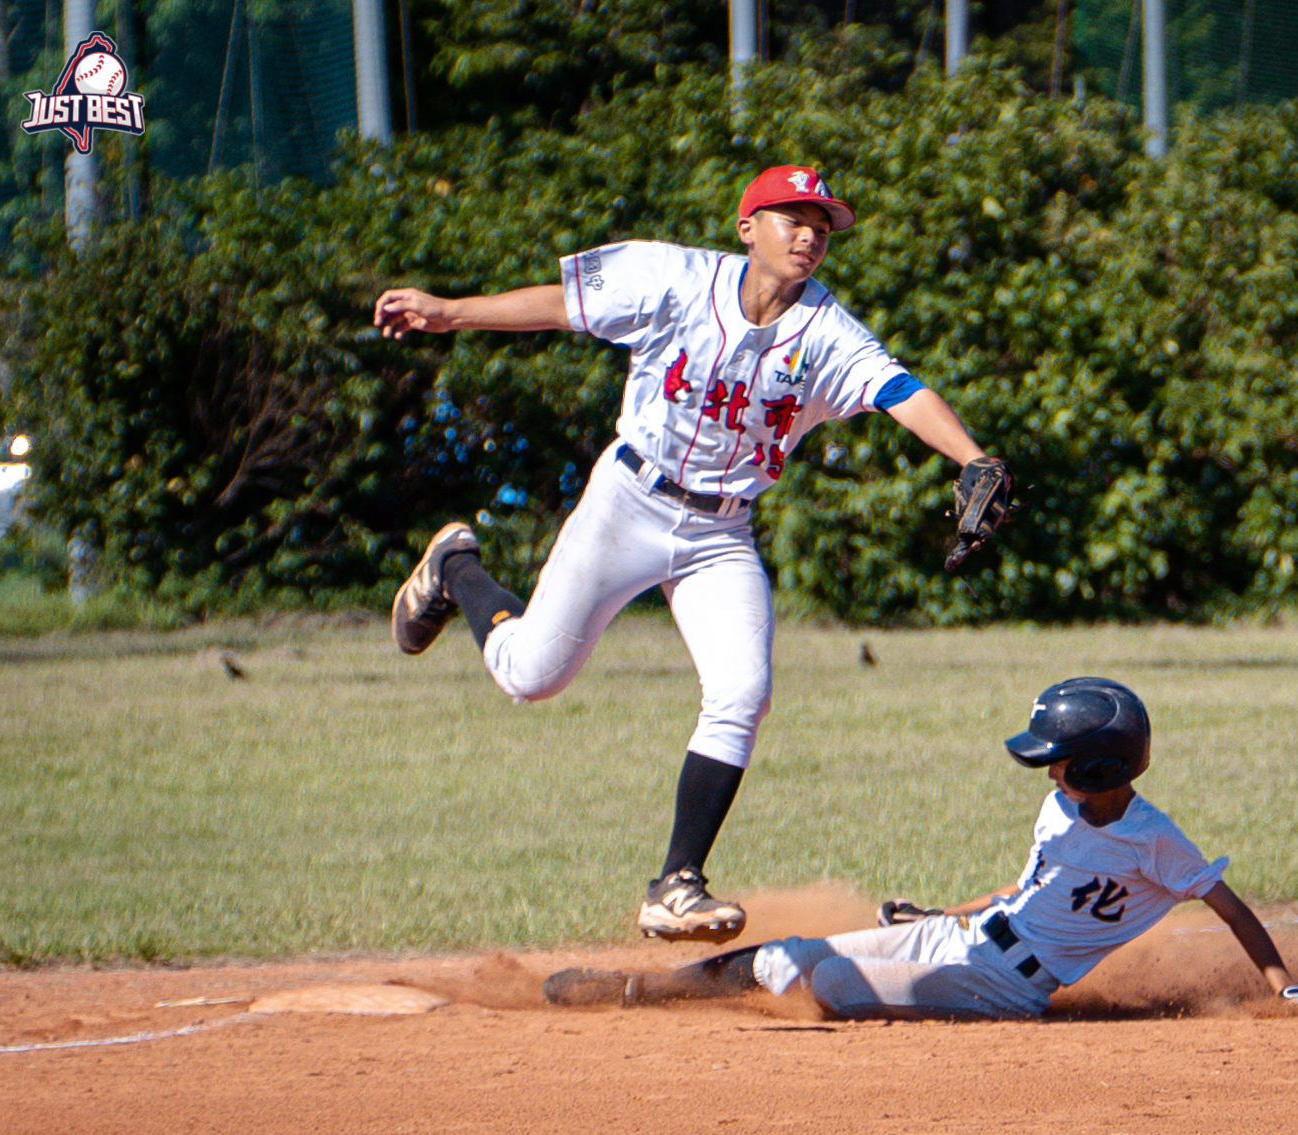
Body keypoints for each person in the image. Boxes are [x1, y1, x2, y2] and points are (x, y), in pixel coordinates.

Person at [371, 166, 1007, 944]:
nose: (809, 234)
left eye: (822, 224)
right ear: (748, 226)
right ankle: (456, 567)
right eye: (791, 218)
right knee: (530, 675)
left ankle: (677, 883)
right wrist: (450, 313)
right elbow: (562, 306)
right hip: (629, 501)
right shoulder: (670, 278)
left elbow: (900, 388)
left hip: (721, 533)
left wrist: (974, 458)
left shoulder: (829, 331)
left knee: (743, 690)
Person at [542, 677, 1298, 1019]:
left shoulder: (1153, 840)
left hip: (1007, 987)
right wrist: (937, 914)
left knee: (828, 982)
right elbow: (1022, 893)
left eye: (1057, 754)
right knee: (786, 954)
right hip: (961, 938)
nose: (1046, 765)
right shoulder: (1059, 810)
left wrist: (1286, 989)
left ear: (1099, 764)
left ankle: (663, 993)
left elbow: (1232, 909)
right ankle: (637, 991)